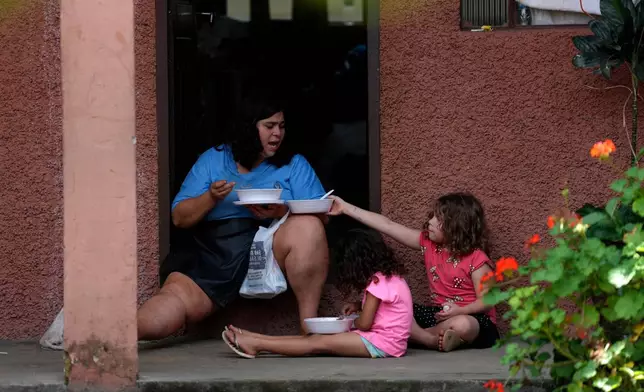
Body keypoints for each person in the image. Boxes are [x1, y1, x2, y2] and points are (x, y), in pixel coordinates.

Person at [137, 90, 329, 340]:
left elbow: (323, 216)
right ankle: (112, 335)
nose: (277, 134)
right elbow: (179, 218)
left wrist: (282, 211)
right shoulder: (213, 159)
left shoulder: (294, 164)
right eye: (269, 126)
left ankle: (309, 331)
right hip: (216, 250)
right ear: (249, 127)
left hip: (272, 245)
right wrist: (211, 197)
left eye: (281, 126)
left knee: (309, 227)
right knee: (171, 303)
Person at [327, 193, 499, 352]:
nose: (429, 222)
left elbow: (489, 300)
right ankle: (430, 338)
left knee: (463, 325)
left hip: (475, 320)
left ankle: (413, 336)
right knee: (397, 310)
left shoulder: (477, 259)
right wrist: (346, 208)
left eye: (437, 218)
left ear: (456, 225)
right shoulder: (429, 244)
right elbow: (387, 225)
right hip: (438, 315)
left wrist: (460, 310)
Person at [222, 229, 413, 359]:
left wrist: (348, 323)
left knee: (317, 341)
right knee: (314, 339)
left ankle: (257, 343)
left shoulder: (376, 282)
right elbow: (386, 308)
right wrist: (358, 305)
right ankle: (254, 339)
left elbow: (364, 324)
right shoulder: (391, 277)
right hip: (389, 342)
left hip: (383, 344)